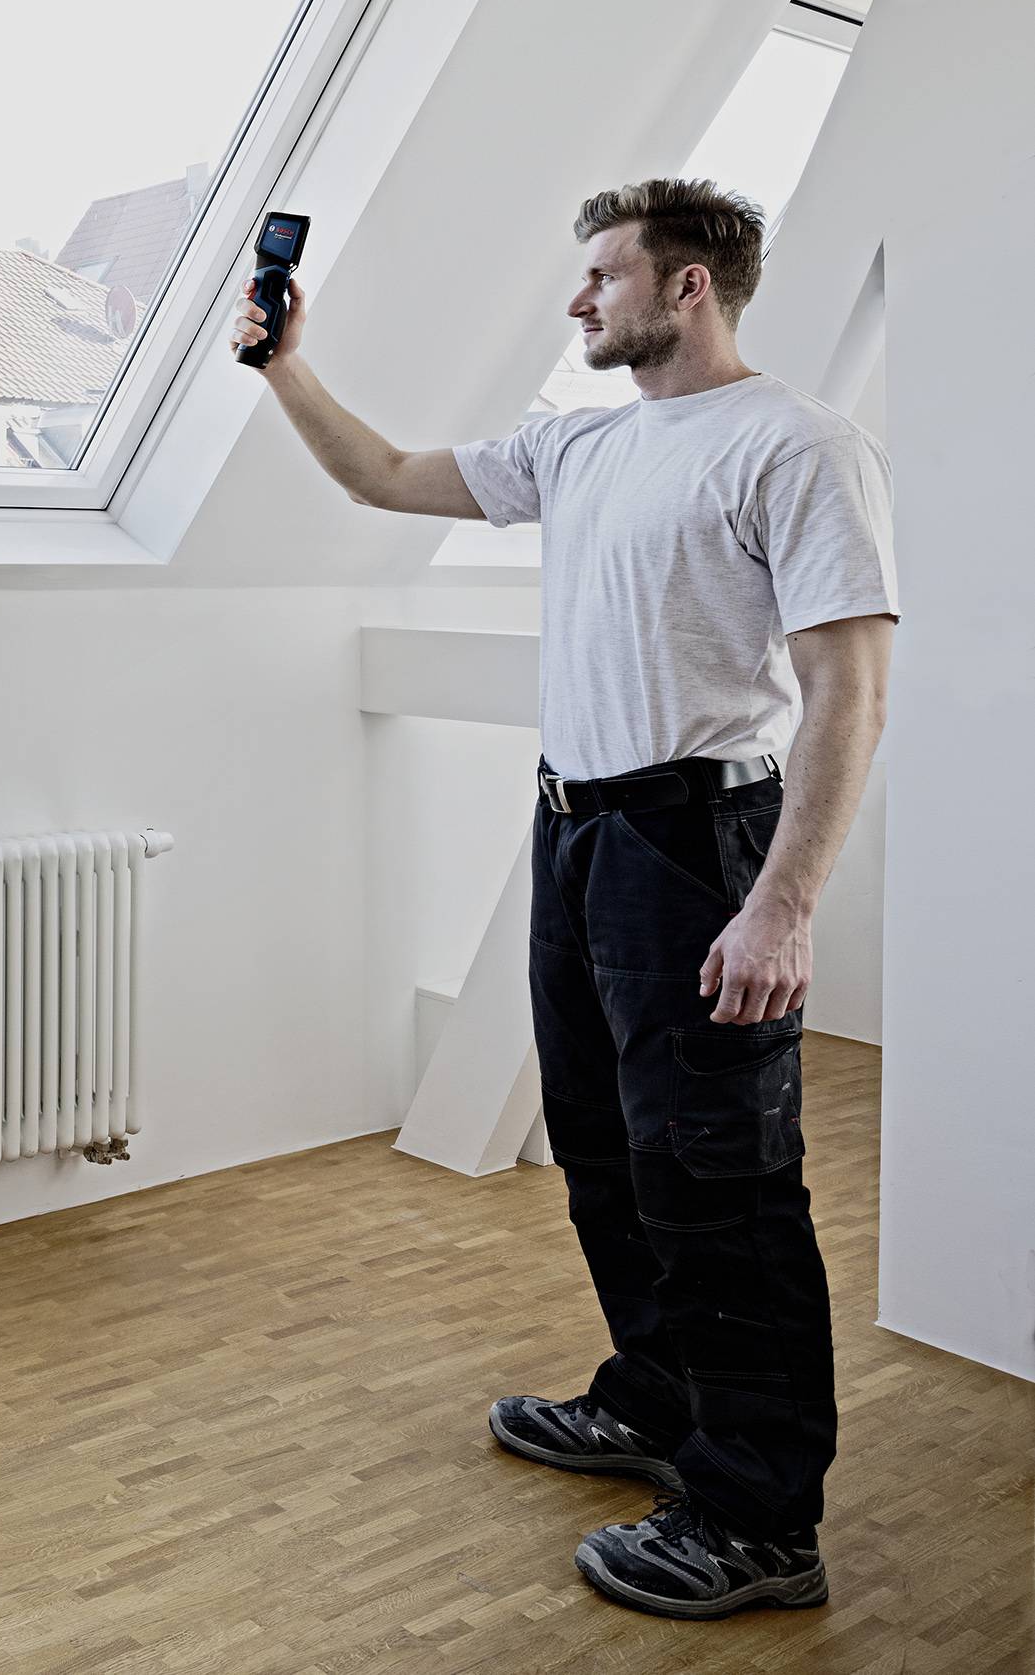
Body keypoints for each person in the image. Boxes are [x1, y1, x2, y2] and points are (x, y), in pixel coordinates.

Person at [236, 178, 897, 1620]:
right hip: (576, 834)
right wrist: (285, 367)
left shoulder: (795, 446)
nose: (577, 300)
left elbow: (848, 685)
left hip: (697, 842)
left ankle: (759, 1519)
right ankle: (659, 1401)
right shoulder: (587, 448)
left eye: (601, 275)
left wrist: (780, 908)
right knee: (605, 1151)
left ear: (687, 289)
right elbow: (384, 477)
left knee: (721, 1183)